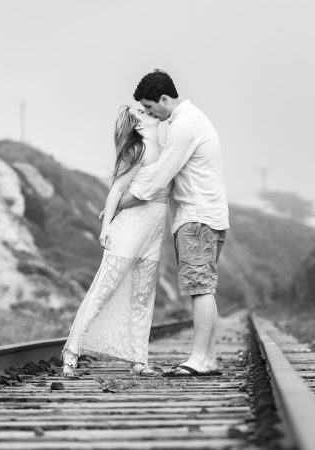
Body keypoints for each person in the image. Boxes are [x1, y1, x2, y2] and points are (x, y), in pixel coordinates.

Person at [116, 69, 230, 377]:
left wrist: (119, 203)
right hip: (207, 216)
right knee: (203, 287)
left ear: (165, 99)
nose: (150, 114)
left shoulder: (183, 126)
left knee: (200, 288)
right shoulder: (194, 119)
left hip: (196, 218)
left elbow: (159, 177)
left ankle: (200, 360)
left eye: (150, 107)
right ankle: (207, 357)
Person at [61, 104, 169, 377]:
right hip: (128, 231)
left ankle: (139, 360)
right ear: (138, 125)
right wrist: (105, 227)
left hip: (153, 234)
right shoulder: (138, 150)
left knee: (143, 298)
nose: (150, 112)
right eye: (143, 113)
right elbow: (117, 189)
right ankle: (71, 352)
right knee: (102, 291)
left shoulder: (167, 148)